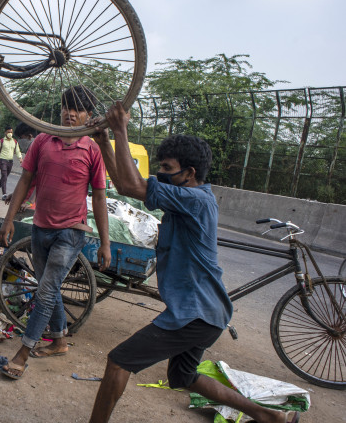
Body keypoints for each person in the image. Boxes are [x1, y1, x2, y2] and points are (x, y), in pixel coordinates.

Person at [87, 102, 298, 423]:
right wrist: (104, 141)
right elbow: (124, 185)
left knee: (119, 361)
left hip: (195, 314)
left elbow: (132, 186)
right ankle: (269, 417)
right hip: (206, 313)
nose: (161, 173)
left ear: (190, 173)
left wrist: (120, 130)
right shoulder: (186, 196)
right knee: (185, 376)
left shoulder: (195, 199)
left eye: (167, 167)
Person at [0, 86, 111, 380]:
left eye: (78, 109)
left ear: (89, 116)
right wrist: (9, 219)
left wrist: (105, 243)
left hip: (71, 232)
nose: (70, 113)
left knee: (46, 291)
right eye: (67, 106)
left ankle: (22, 354)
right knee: (49, 287)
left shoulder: (92, 149)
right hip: (40, 229)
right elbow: (25, 181)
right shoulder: (42, 141)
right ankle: (60, 340)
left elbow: (99, 197)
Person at [0, 128, 23, 199]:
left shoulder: (14, 142)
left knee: (4, 177)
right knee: (4, 176)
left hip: (10, 161)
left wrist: (20, 158)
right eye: (8, 132)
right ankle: (4, 194)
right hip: (2, 160)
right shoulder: (1, 141)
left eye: (11, 132)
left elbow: (17, 151)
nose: (10, 133)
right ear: (5, 132)